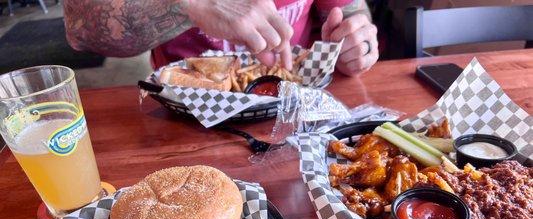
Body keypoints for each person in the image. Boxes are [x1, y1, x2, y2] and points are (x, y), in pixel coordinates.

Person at [64, 0, 378, 76]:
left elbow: (349, 9)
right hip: (184, 118)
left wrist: (354, 39)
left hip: (297, 104)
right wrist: (193, 5)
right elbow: (81, 27)